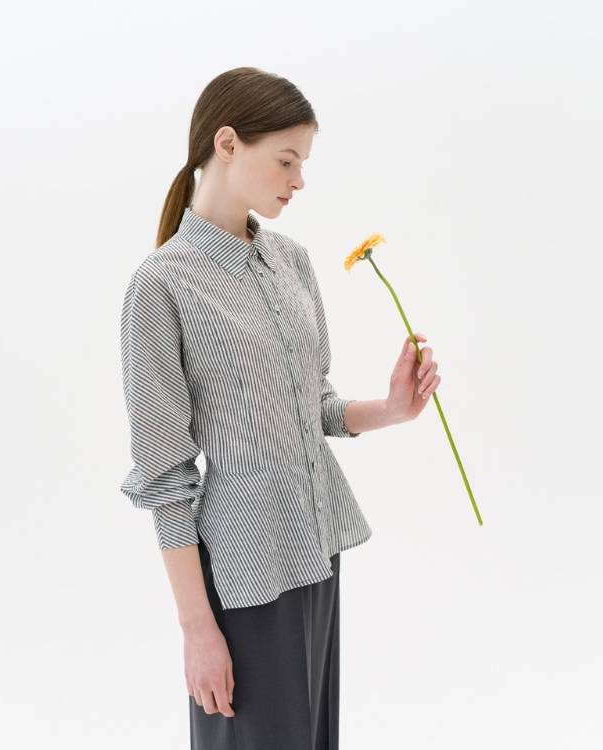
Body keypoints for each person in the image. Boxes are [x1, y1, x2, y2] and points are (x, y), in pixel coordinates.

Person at [118, 66, 441, 750]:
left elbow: (314, 406)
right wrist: (197, 629)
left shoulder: (291, 262)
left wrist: (392, 408)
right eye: (287, 160)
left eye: (304, 164)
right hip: (242, 577)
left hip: (317, 550)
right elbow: (165, 476)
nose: (298, 181)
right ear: (227, 143)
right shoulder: (161, 285)